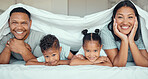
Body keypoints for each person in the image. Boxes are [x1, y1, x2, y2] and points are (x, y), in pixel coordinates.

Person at [101, 0, 148, 67]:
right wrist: (124, 40)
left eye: (130, 17)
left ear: (136, 19)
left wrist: (131, 41)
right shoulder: (107, 31)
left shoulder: (140, 31)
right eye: (120, 17)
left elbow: (145, 64)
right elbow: (118, 64)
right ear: (114, 18)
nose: (125, 22)